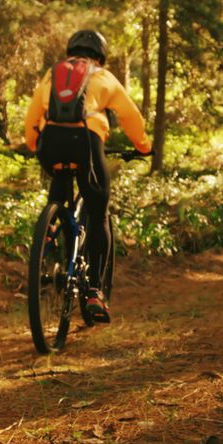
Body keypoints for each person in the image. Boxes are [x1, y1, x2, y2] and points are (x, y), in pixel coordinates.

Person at [24, 30, 152, 322]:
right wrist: (144, 146)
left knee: (59, 197)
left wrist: (35, 146)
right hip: (86, 143)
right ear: (100, 55)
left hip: (51, 143)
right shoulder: (102, 76)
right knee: (98, 211)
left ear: (70, 51)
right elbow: (130, 115)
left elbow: (33, 116)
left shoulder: (52, 74)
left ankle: (50, 236)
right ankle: (94, 291)